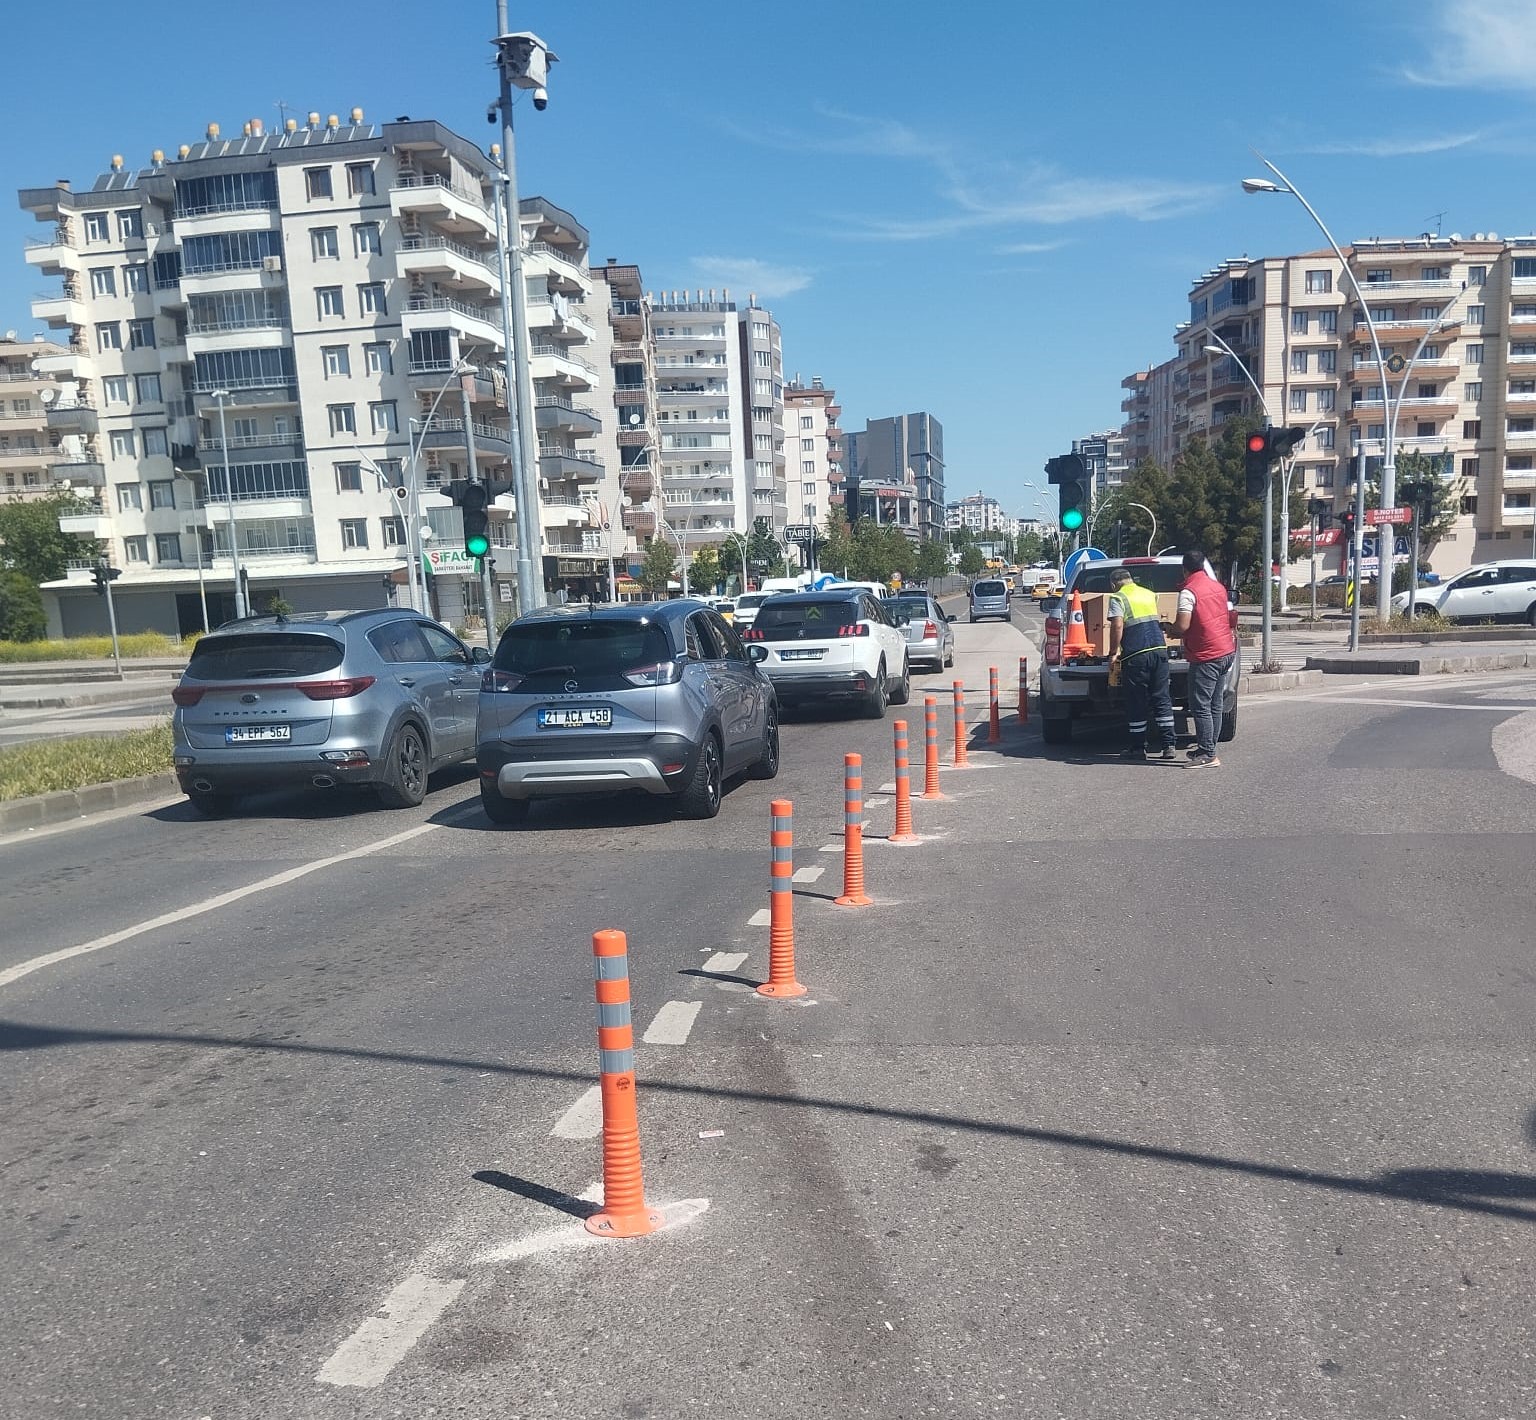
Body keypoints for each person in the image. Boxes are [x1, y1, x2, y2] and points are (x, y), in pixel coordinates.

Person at [1173, 549, 1236, 768]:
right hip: (1225, 650)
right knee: (1215, 704)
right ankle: (1207, 747)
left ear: (1185, 569)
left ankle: (1208, 754)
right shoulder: (1217, 587)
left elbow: (1182, 625)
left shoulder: (1189, 592)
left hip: (1206, 655)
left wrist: (1170, 629)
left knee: (1200, 705)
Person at [1107, 567, 1175, 761]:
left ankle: (1138, 748)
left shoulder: (1118, 598)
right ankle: (1169, 746)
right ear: (1131, 579)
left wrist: (1113, 653)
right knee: (1162, 698)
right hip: (1159, 651)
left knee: (1137, 701)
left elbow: (1117, 625)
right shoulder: (1149, 594)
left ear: (1113, 584)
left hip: (1136, 654)